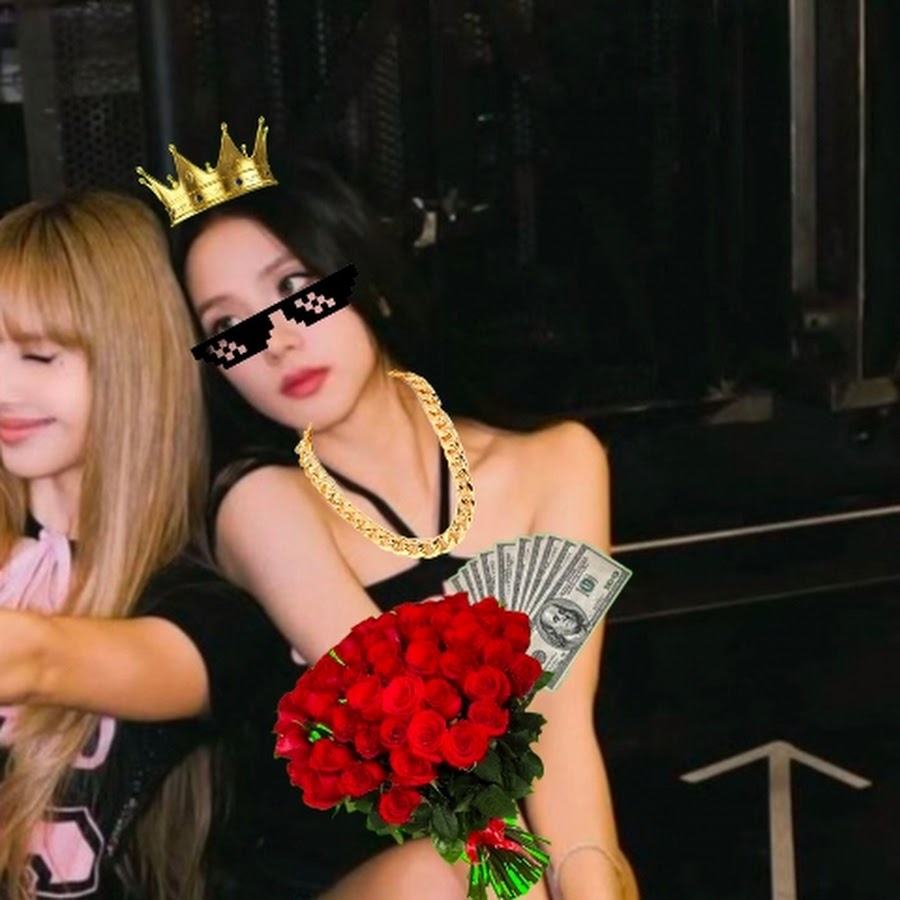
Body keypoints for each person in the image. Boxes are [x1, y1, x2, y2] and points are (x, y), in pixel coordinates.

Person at [177, 159, 639, 900]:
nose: (276, 341)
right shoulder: (257, 505)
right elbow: (432, 762)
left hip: (489, 869)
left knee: (597, 876)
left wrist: (589, 883)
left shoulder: (560, 462)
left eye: (294, 287)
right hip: (345, 880)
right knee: (445, 876)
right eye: (228, 328)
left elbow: (557, 727)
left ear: (372, 280)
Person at [0, 191, 289, 900]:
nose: (3, 386)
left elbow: (37, 658)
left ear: (132, 363)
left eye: (40, 355)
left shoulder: (208, 602)